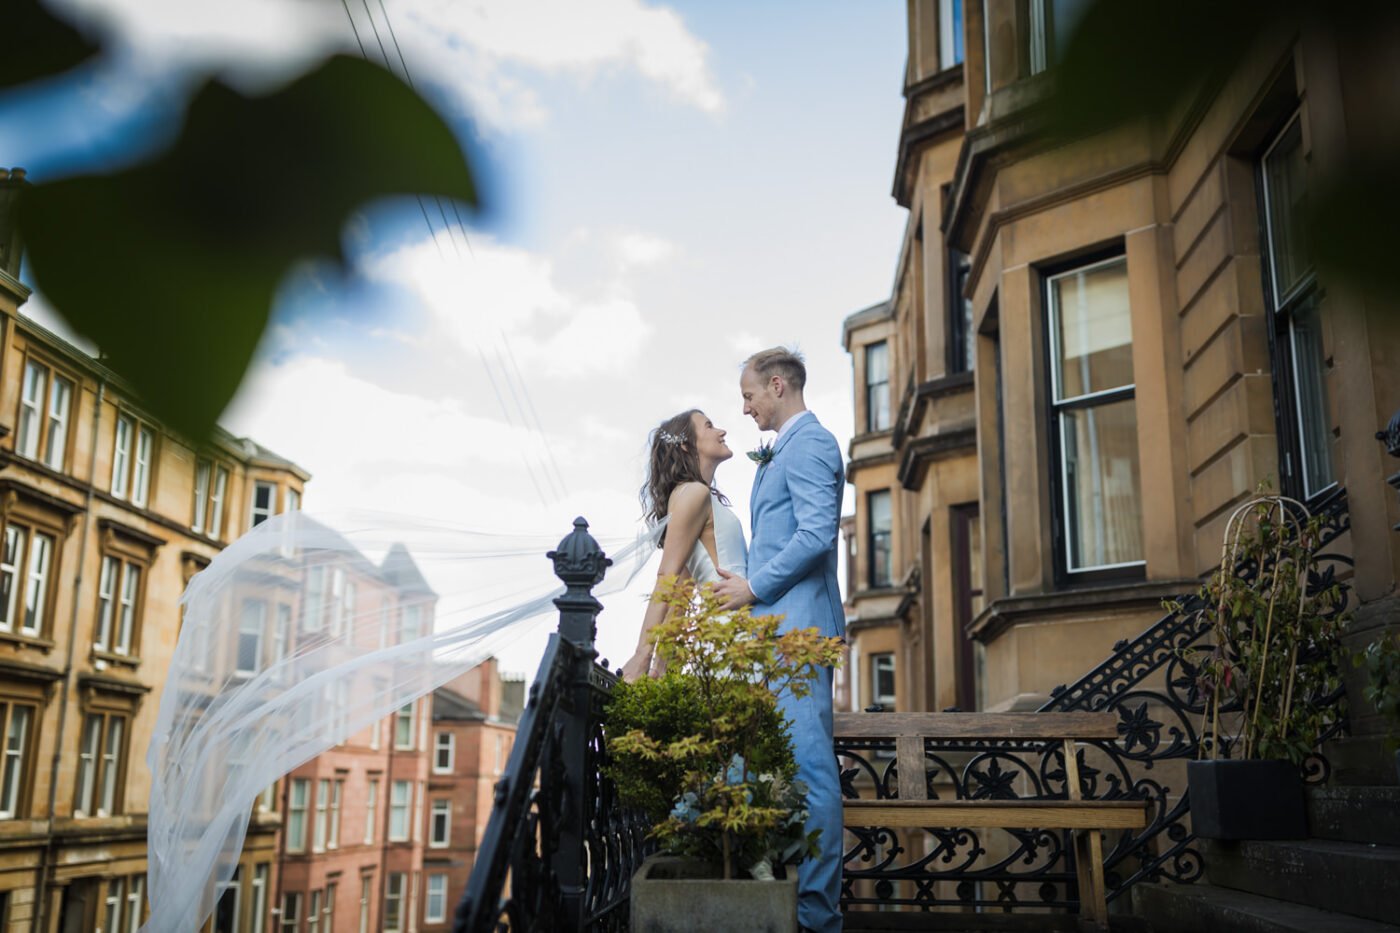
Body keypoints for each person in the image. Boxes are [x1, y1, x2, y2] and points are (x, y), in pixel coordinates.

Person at [712, 346, 845, 933]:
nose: (744, 410)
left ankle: (819, 919)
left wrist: (752, 589)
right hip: (781, 633)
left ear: (776, 385)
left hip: (800, 634)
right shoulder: (786, 449)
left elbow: (817, 533)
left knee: (811, 772)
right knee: (791, 768)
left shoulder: (811, 442)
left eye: (748, 396)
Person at [621, 408, 746, 680]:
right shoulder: (694, 492)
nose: (721, 431)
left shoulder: (700, 495)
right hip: (729, 626)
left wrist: (663, 666)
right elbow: (668, 577)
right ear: (687, 444)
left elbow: (682, 592)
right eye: (710, 426)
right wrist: (643, 655)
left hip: (735, 626)